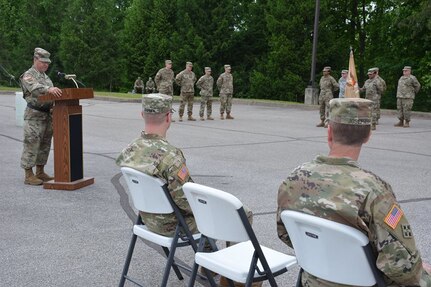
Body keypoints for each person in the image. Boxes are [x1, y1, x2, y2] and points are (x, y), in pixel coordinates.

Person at [276, 98, 431, 286]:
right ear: (368, 135)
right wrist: (420, 269)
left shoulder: (293, 179)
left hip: (314, 280)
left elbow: (286, 234)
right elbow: (401, 266)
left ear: (329, 133)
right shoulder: (375, 191)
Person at [116, 93, 257, 286]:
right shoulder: (170, 156)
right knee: (242, 213)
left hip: (147, 220)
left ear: (142, 114)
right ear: (168, 117)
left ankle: (209, 265)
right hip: (172, 226)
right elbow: (186, 202)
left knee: (208, 212)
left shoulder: (129, 150)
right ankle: (234, 280)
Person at [19, 48, 62, 185]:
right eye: (43, 62)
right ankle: (28, 175)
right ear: (35, 59)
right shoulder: (28, 75)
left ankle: (40, 171)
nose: (46, 65)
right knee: (32, 144)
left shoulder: (46, 77)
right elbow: (35, 88)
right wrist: (49, 89)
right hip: (34, 116)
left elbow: (52, 94)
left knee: (45, 145)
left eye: (47, 63)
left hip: (47, 116)